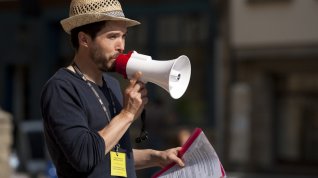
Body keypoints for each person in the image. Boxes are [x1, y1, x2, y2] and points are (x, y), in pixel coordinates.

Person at [40, 0, 185, 177]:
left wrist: (157, 157)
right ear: (84, 39)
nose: (121, 46)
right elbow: (85, 156)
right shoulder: (61, 88)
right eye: (112, 36)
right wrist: (127, 114)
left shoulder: (112, 84)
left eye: (123, 36)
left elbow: (113, 154)